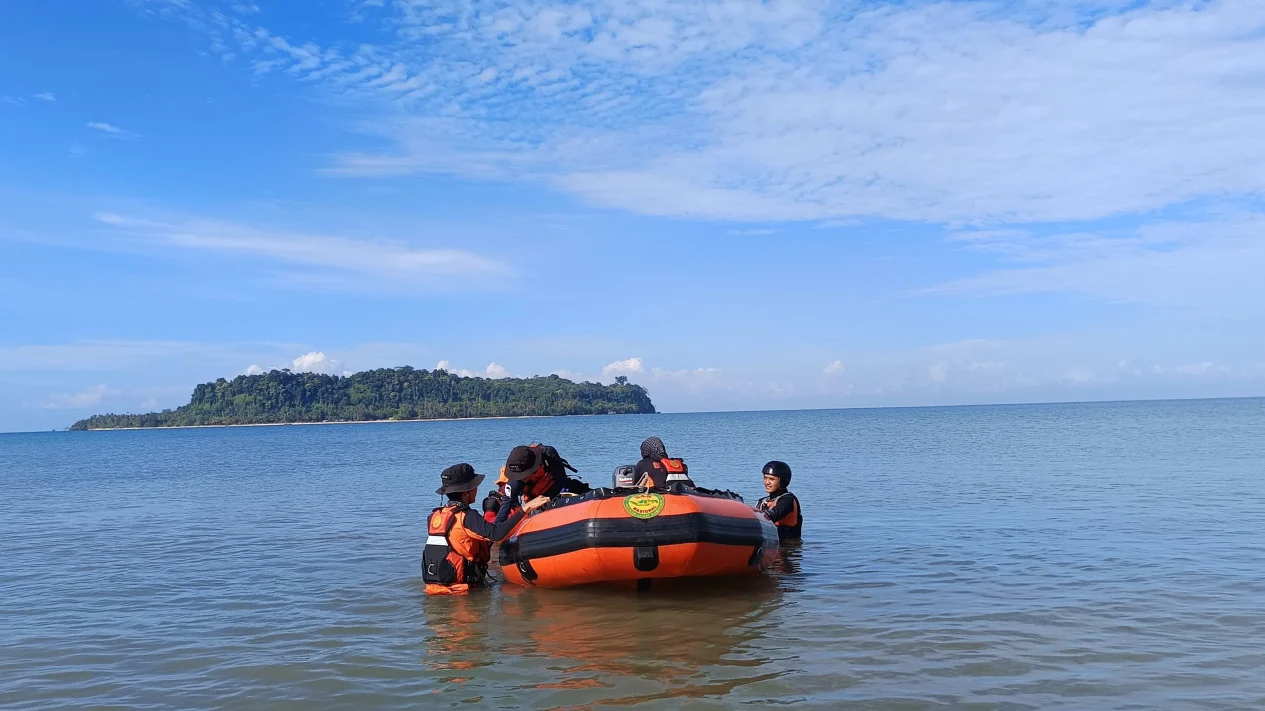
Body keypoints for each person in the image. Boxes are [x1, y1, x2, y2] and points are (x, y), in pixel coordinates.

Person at [423, 462, 548, 594]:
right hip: (461, 592)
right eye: (475, 486)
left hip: (434, 589)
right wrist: (525, 509)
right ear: (467, 491)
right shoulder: (467, 516)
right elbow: (496, 534)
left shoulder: (434, 517)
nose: (477, 490)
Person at [495, 443, 591, 523]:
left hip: (560, 492)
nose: (522, 478)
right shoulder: (514, 485)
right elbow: (502, 514)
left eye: (523, 475)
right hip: (537, 504)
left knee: (586, 492)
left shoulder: (548, 455)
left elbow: (563, 481)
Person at [756, 460, 802, 541]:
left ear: (782, 481)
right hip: (767, 544)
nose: (767, 482)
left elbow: (771, 515)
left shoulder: (788, 500)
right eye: (765, 478)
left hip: (787, 549)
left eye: (771, 479)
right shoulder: (762, 501)